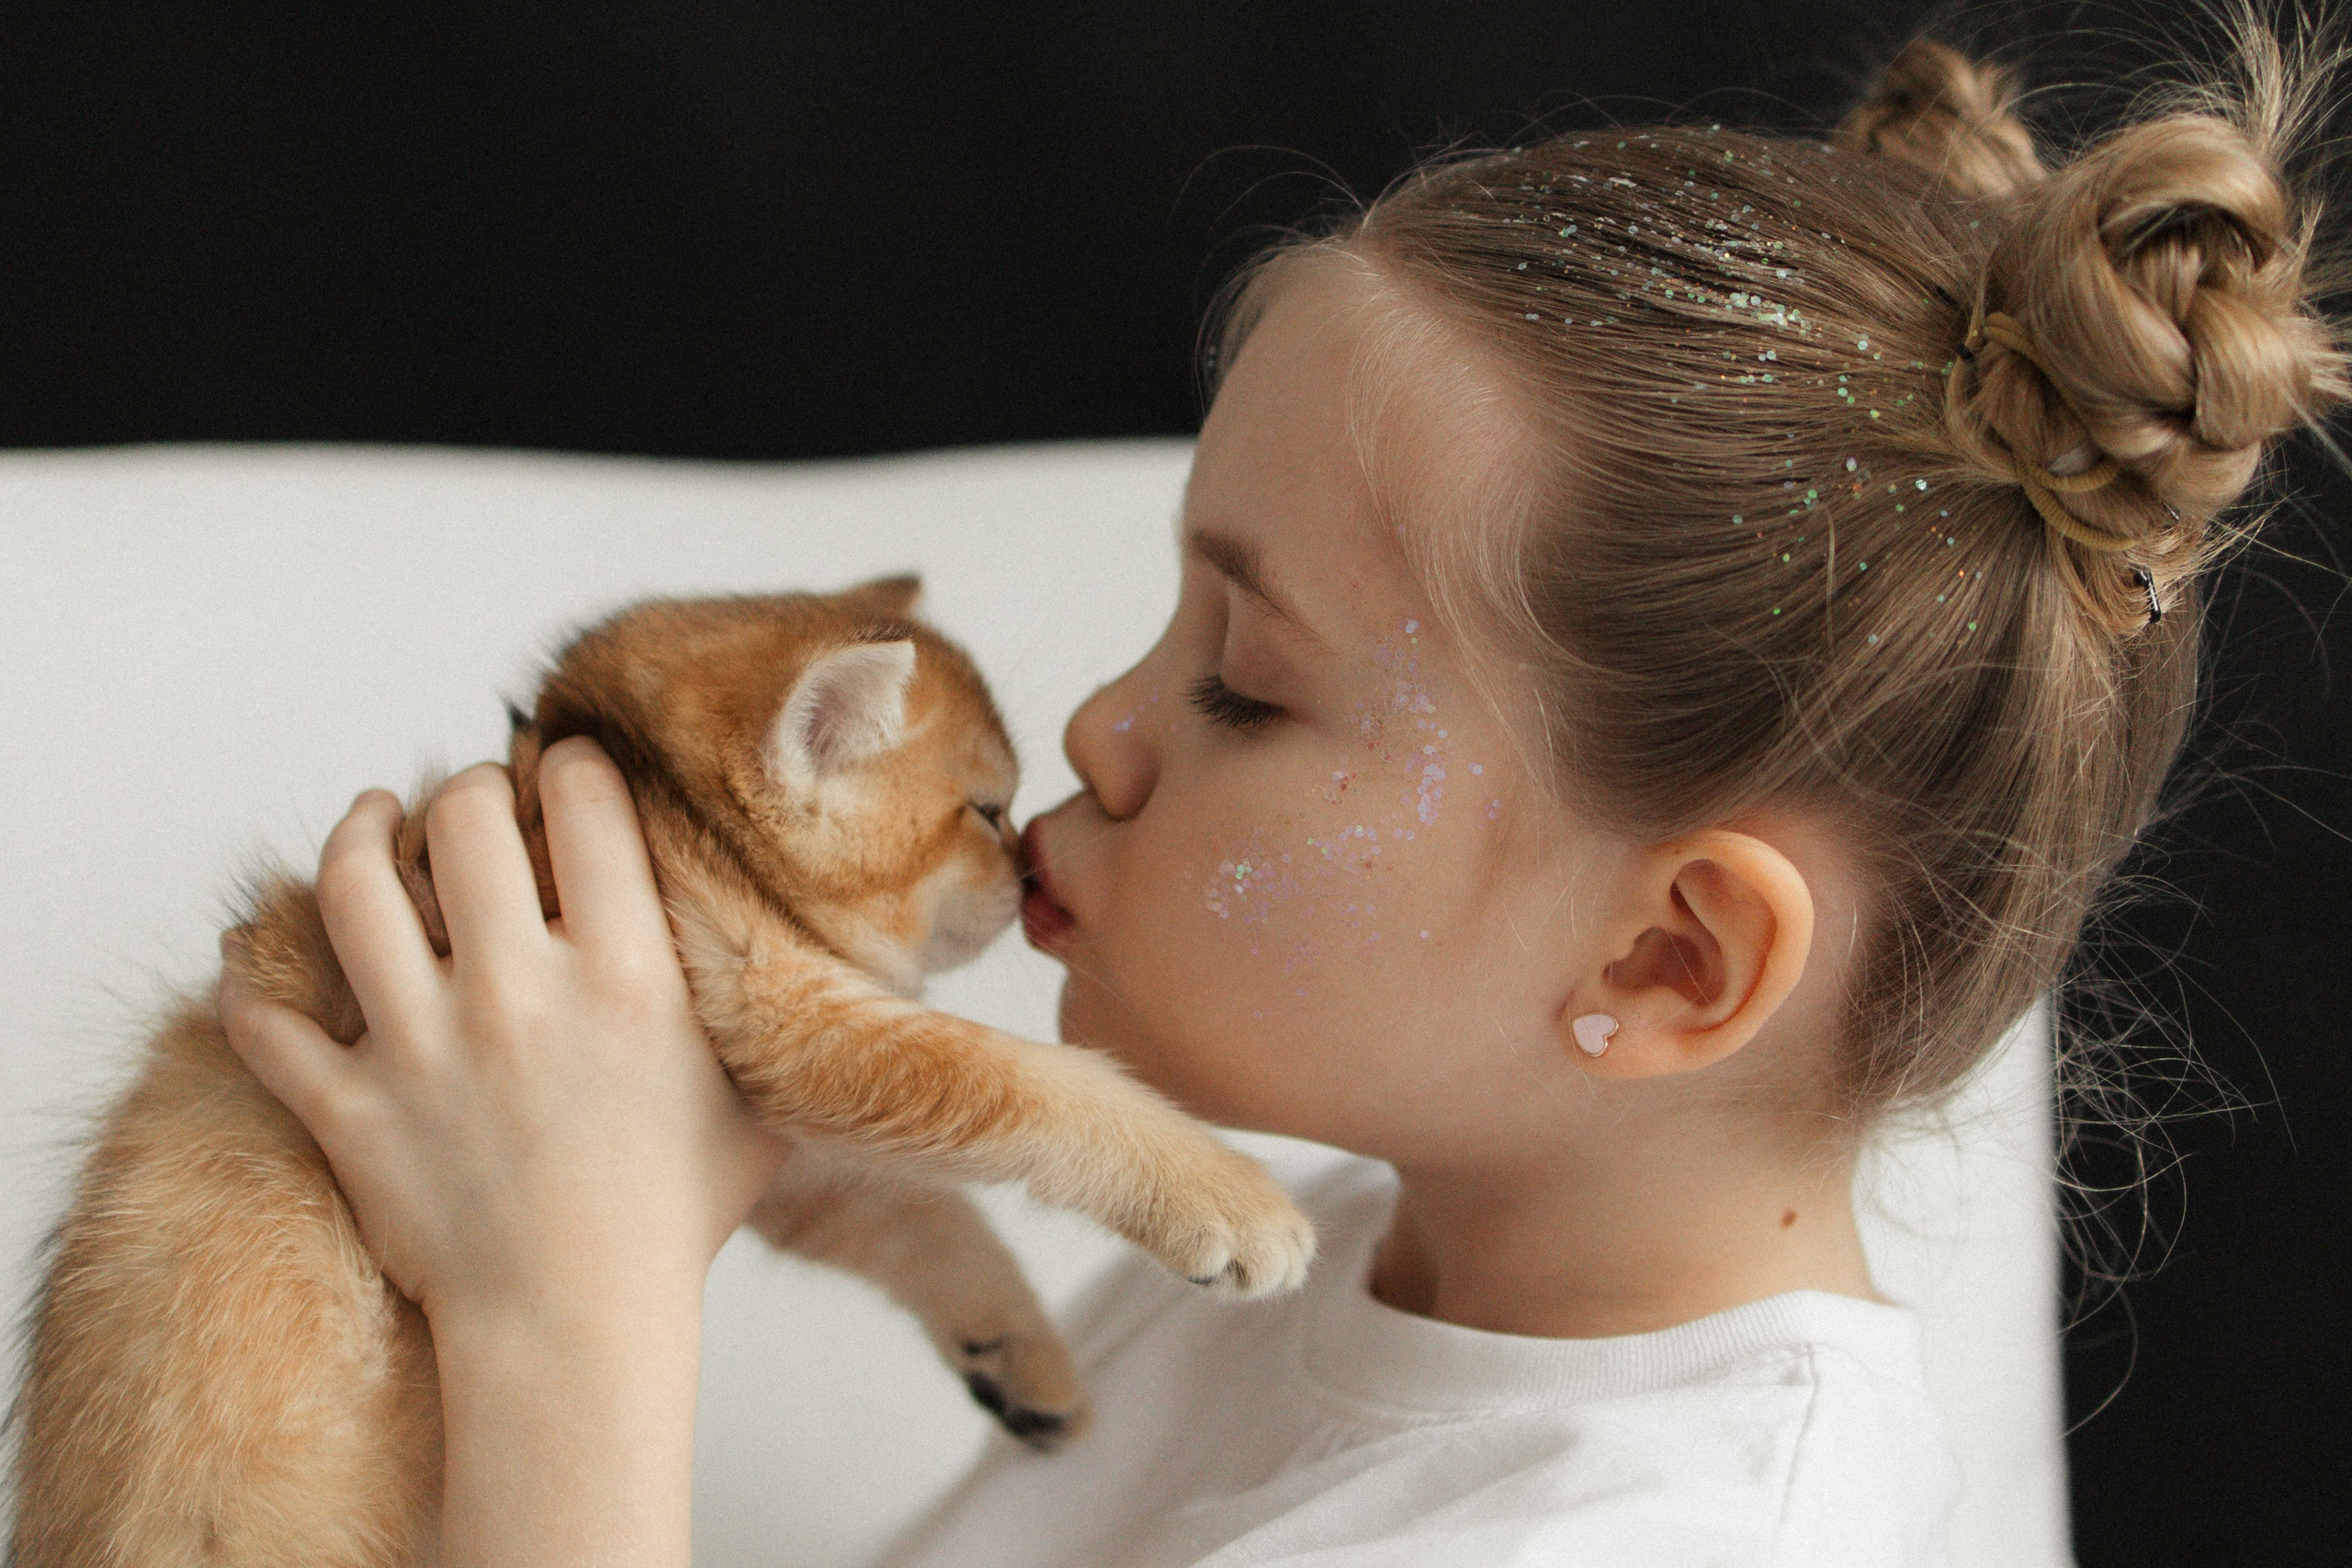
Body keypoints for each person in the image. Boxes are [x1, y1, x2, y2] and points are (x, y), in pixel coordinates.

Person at [217, 23, 2347, 1568]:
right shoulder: (1340, 1256)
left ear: (1667, 950)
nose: (1095, 735)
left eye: (1238, 683)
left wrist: (555, 1311)